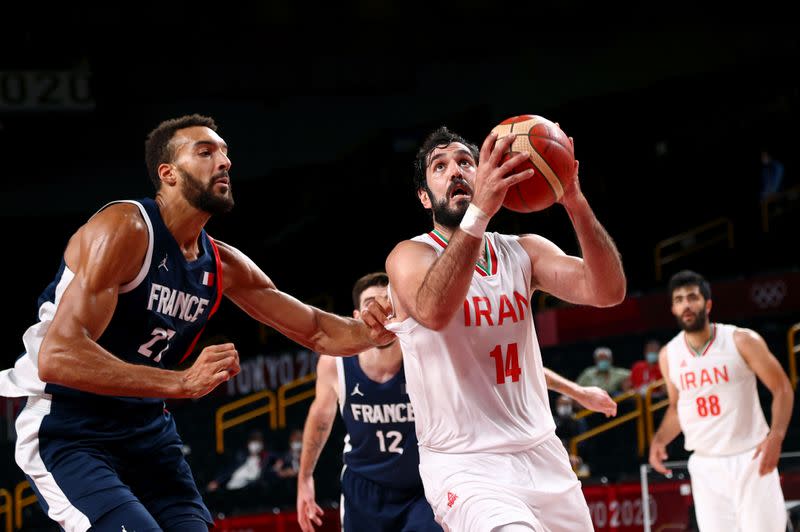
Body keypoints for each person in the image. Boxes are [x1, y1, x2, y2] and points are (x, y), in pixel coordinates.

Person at [0, 114, 392, 532]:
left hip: (146, 432)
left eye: (225, 153)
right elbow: (57, 356)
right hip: (70, 426)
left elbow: (315, 328)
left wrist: (377, 331)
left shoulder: (221, 263)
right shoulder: (126, 228)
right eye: (205, 152)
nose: (223, 161)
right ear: (167, 174)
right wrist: (180, 383)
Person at [378, 127, 626, 531]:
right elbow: (434, 310)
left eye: (465, 162)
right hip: (465, 465)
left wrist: (575, 203)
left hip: (542, 452)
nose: (455, 171)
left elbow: (608, 291)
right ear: (425, 197)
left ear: (486, 177)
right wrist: (479, 213)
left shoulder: (523, 250)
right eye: (439, 167)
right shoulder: (409, 255)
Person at [298, 272, 618, 532]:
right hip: (365, 487)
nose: (382, 313)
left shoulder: (425, 347)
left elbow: (505, 367)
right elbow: (321, 418)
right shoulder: (334, 363)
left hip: (422, 487)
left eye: (388, 304)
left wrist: (577, 391)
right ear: (356, 316)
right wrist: (305, 479)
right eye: (372, 305)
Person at [649, 270, 793, 532]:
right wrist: (659, 440)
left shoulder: (741, 340)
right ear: (673, 308)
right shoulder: (668, 354)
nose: (686, 304)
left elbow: (782, 388)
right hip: (706, 466)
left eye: (692, 297)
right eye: (679, 299)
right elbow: (677, 407)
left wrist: (777, 435)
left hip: (751, 458)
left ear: (708, 304)